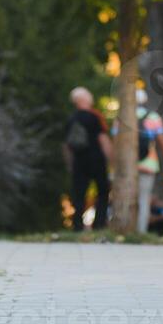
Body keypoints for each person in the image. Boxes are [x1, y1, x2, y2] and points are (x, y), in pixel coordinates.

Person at [112, 86, 163, 230]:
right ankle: (140, 231)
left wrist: (114, 164)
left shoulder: (121, 118)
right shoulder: (153, 117)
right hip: (148, 164)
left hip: (127, 165)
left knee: (125, 199)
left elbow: (115, 142)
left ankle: (125, 230)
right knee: (144, 200)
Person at [61, 86, 111, 230]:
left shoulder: (72, 118)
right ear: (84, 99)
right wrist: (111, 160)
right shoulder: (95, 117)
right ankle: (99, 224)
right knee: (103, 191)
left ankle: (77, 225)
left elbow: (66, 145)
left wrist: (70, 164)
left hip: (79, 160)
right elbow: (103, 139)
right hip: (96, 159)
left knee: (79, 193)